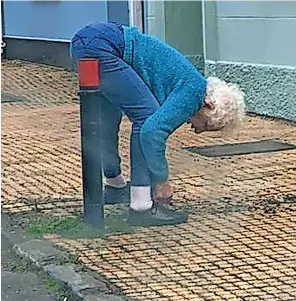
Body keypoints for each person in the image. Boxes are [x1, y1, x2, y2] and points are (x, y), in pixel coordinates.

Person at [70, 22, 245, 227]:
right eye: (206, 125)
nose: (196, 130)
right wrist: (162, 181)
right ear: (207, 106)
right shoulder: (194, 92)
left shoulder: (185, 81)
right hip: (105, 46)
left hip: (86, 41)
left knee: (108, 116)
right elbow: (152, 133)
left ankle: (115, 186)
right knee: (146, 118)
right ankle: (141, 207)